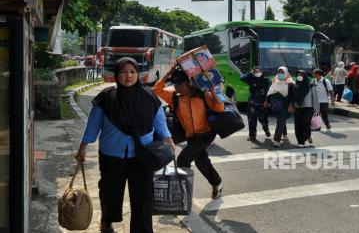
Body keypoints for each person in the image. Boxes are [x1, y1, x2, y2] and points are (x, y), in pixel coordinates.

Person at [75, 57, 175, 233]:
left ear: (138, 74)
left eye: (132, 72)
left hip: (143, 156)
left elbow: (160, 123)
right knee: (110, 193)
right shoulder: (106, 98)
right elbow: (93, 125)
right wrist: (82, 148)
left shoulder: (150, 96)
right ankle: (107, 221)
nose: (128, 76)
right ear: (116, 75)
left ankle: (142, 229)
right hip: (112, 155)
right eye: (123, 72)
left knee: (143, 197)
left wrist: (169, 141)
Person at [153, 66, 225, 199]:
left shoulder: (202, 94)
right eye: (176, 85)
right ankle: (216, 183)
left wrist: (212, 90)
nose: (178, 88)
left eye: (181, 85)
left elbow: (220, 108)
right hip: (191, 136)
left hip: (206, 134)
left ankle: (182, 194)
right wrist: (168, 72)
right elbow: (155, 90)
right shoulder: (174, 95)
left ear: (188, 82)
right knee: (201, 162)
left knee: (182, 160)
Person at [265, 66, 294, 148]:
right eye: (279, 72)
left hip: (285, 105)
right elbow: (269, 91)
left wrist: (291, 105)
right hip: (275, 105)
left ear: (286, 72)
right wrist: (266, 101)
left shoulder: (290, 83)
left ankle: (277, 140)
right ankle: (285, 134)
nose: (280, 74)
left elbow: (292, 95)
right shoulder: (274, 80)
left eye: (282, 72)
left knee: (280, 121)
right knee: (281, 120)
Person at [240, 66, 271, 141]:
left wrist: (267, 101)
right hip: (252, 103)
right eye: (255, 71)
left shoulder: (266, 79)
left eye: (259, 71)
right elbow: (242, 78)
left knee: (263, 119)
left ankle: (266, 129)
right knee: (251, 120)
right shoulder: (251, 78)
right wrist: (250, 73)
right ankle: (252, 135)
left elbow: (269, 91)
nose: (257, 73)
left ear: (261, 71)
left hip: (262, 103)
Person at [291, 70, 320, 147]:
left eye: (301, 75)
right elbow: (293, 98)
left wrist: (316, 110)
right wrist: (292, 105)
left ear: (304, 76)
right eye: (298, 75)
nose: (299, 76)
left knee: (305, 124)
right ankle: (300, 142)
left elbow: (315, 98)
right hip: (297, 108)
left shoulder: (311, 86)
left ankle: (307, 136)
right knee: (297, 126)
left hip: (308, 108)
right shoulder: (295, 86)